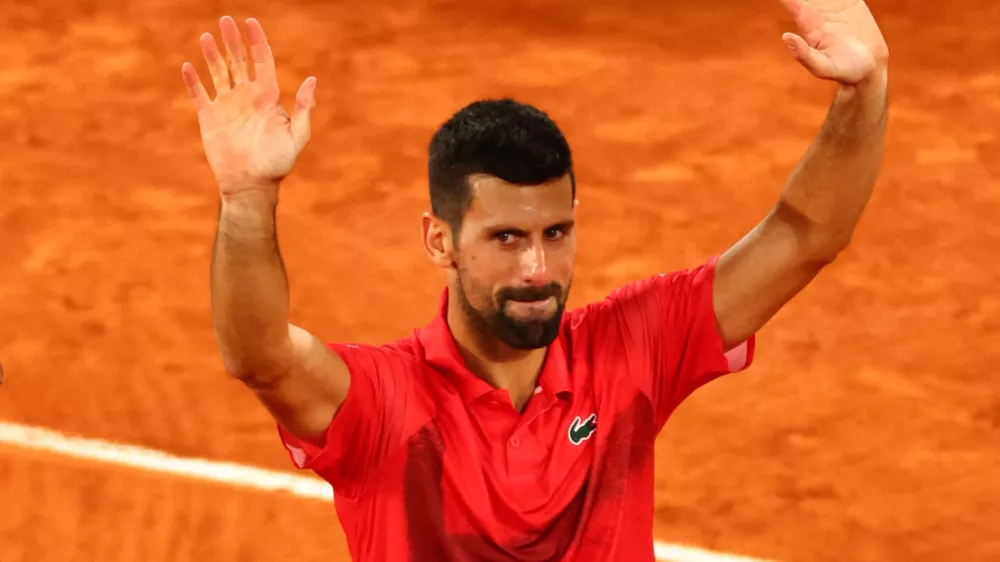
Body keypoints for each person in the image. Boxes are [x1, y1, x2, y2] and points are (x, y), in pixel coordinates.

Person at [180, 0, 888, 559]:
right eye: (506, 239)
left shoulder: (629, 349)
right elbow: (260, 355)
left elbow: (804, 238)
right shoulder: (386, 405)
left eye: (556, 233)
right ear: (440, 241)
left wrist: (864, 89)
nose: (538, 269)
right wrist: (247, 201)